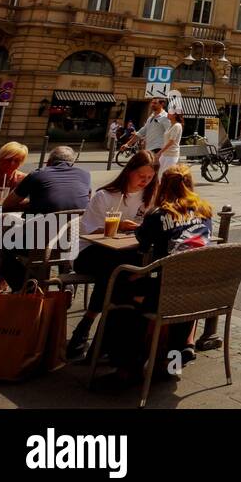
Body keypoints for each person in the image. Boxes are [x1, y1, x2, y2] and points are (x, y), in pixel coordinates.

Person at [102, 165, 214, 385]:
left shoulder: (159, 213)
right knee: (177, 300)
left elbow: (143, 240)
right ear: (190, 185)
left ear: (162, 185)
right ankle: (170, 365)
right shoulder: (205, 210)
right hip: (200, 293)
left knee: (121, 292)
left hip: (167, 292)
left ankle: (126, 365)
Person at [65, 150, 159, 359]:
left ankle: (93, 330)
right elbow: (88, 230)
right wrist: (117, 227)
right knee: (121, 272)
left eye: (150, 177)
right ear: (129, 172)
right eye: (141, 176)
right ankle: (97, 333)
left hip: (124, 254)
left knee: (121, 272)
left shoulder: (149, 198)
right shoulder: (105, 195)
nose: (145, 181)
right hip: (89, 251)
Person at [0, 146, 92, 291]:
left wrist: (33, 202)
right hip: (72, 243)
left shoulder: (37, 174)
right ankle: (66, 279)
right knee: (63, 228)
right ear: (72, 163)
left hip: (37, 245)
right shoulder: (85, 175)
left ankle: (27, 287)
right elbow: (83, 200)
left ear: (48, 162)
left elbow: (7, 204)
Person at [156, 110, 184, 175]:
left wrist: (160, 152)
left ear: (175, 115)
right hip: (165, 154)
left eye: (170, 113)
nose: (168, 114)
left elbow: (171, 142)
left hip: (171, 155)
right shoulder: (170, 125)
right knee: (158, 173)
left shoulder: (177, 125)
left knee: (166, 175)